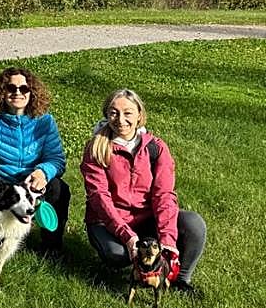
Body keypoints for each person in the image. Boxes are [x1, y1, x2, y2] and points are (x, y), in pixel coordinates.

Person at [81, 88, 206, 296]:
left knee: (194, 224)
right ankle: (135, 266)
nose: (120, 120)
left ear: (140, 115)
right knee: (117, 255)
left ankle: (180, 279)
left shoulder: (156, 148)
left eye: (128, 113)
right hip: (107, 222)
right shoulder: (96, 148)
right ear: (106, 114)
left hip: (146, 218)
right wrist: (128, 236)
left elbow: (164, 194)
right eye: (113, 112)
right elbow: (99, 197)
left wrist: (167, 239)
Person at [0, 67, 69, 253]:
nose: (17, 92)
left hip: (33, 180)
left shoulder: (44, 121)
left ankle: (51, 248)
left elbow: (56, 158)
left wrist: (43, 172)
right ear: (1, 92)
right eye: (11, 88)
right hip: (3, 181)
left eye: (24, 88)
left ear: (32, 93)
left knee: (59, 189)